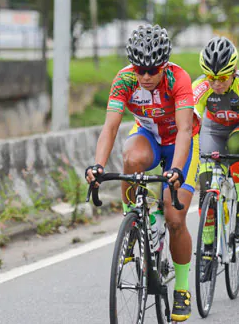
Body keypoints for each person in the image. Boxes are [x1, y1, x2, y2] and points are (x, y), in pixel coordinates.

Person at [84, 24, 199, 322]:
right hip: (148, 136)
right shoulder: (124, 79)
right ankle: (132, 219)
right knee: (131, 160)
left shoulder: (179, 78)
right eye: (140, 69)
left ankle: (183, 288)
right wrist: (97, 165)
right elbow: (110, 127)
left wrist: (175, 170)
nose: (146, 76)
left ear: (164, 65)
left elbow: (186, 130)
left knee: (175, 219)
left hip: (179, 144)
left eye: (153, 69)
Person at [193, 37, 239, 253]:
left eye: (223, 78)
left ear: (234, 71)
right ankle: (207, 247)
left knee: (237, 146)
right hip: (214, 128)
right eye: (211, 78)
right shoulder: (199, 87)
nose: (216, 84)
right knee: (206, 183)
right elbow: (189, 127)